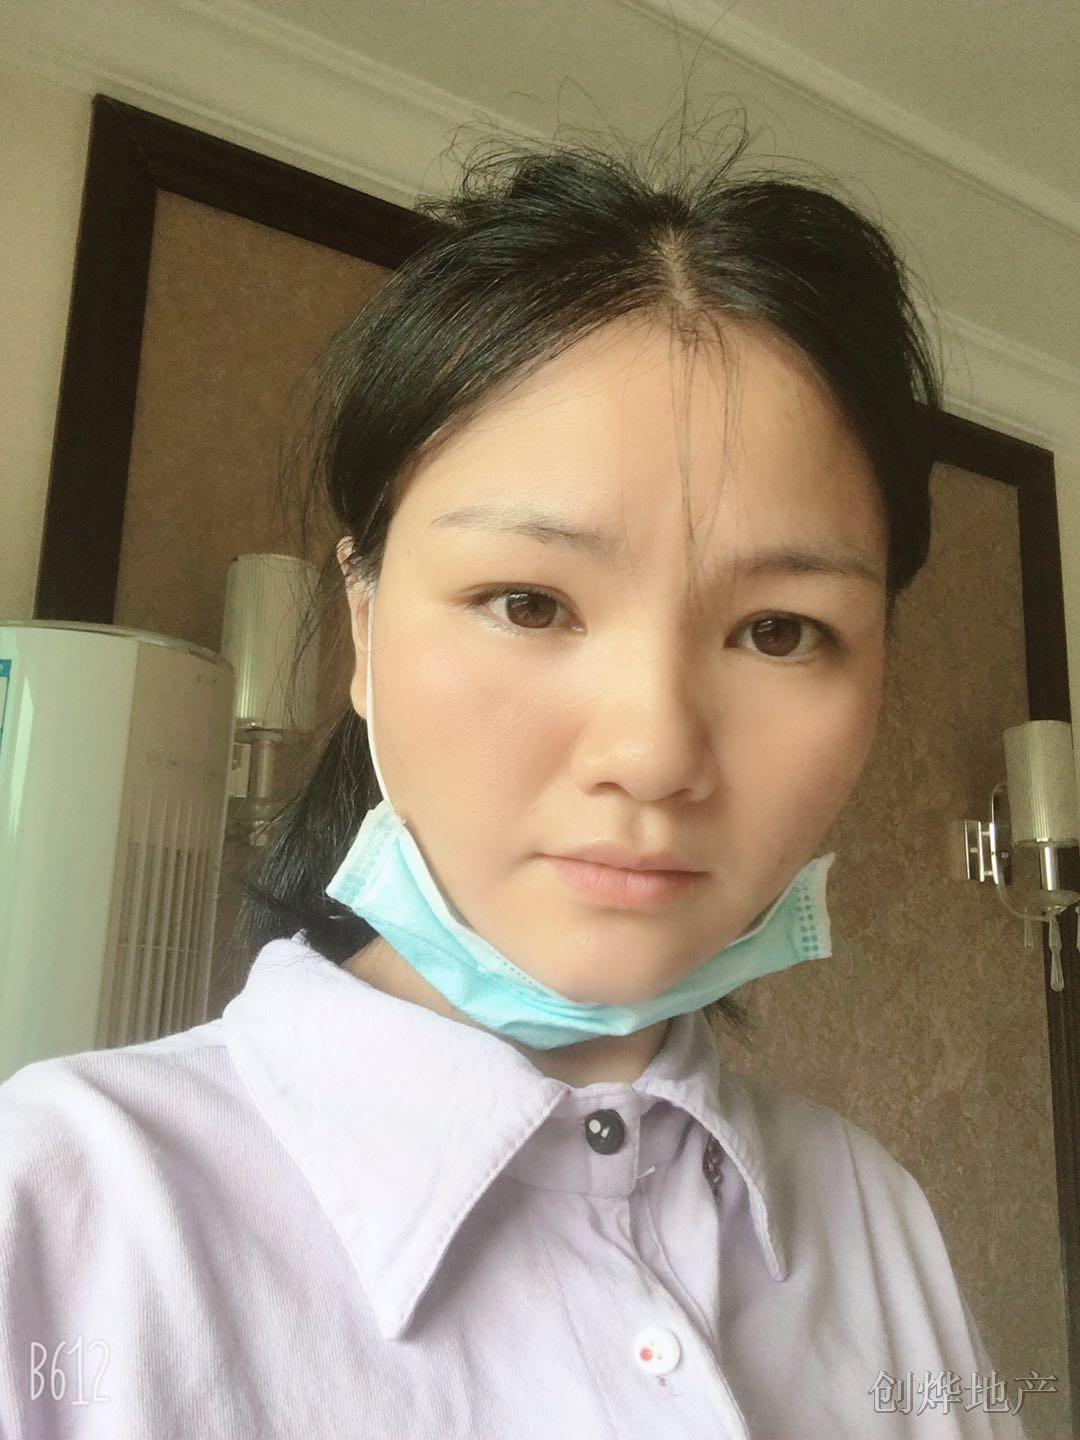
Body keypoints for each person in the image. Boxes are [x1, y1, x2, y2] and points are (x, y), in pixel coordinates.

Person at [0, 126, 1031, 1439]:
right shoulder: (56, 1219)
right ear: (364, 627)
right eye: (530, 603)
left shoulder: (875, 1219)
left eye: (779, 630)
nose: (653, 752)